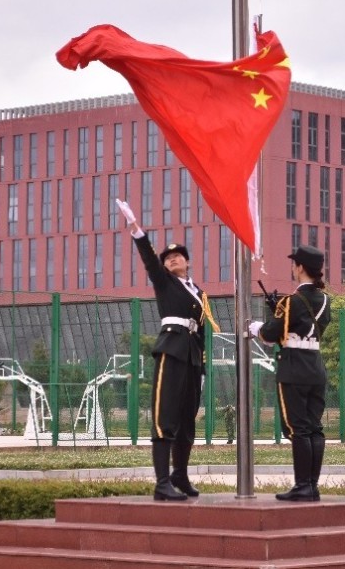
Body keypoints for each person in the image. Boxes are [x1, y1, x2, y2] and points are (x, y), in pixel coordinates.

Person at [117, 199, 216, 502]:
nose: (172, 261)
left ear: (187, 261)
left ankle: (179, 476)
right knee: (165, 419)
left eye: (177, 257)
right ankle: (162, 483)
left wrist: (202, 367)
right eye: (168, 258)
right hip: (171, 352)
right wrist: (137, 230)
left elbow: (202, 333)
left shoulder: (198, 292)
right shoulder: (164, 282)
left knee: (187, 420)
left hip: (191, 357)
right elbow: (149, 260)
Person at [250, 244, 331, 501]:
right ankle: (312, 486)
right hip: (315, 368)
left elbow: (270, 335)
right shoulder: (326, 300)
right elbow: (304, 326)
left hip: (293, 369)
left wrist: (255, 326)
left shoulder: (291, 301)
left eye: (294, 264)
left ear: (300, 268)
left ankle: (302, 486)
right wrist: (279, 311)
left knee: (298, 429)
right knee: (314, 428)